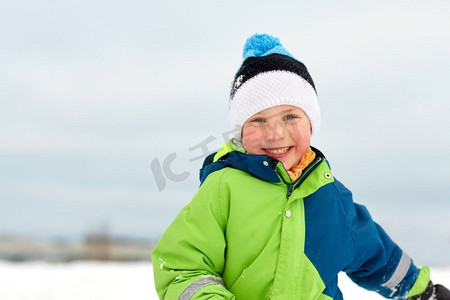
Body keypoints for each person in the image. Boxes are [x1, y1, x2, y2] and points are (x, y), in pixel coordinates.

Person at [151, 33, 450, 299]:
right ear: (240, 132)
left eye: (290, 117)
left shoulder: (332, 197)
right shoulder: (223, 187)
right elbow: (182, 265)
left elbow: (376, 254)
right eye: (258, 120)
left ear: (312, 123)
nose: (275, 133)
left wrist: (422, 291)